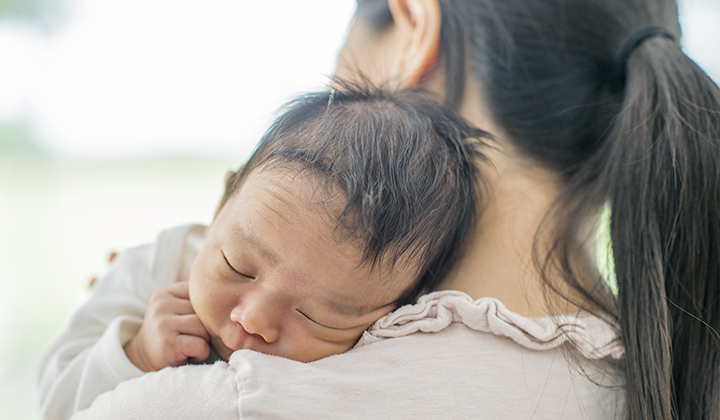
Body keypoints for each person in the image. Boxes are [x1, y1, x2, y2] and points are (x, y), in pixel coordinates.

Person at [53, 0, 720, 419]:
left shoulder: (226, 402)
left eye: (327, 312)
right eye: (242, 258)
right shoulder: (675, 373)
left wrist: (123, 356)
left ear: (413, 27)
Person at [38, 85, 487, 419]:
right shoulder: (157, 264)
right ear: (221, 204)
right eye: (237, 266)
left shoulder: (394, 350)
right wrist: (135, 353)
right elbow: (54, 401)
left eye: (316, 315)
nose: (252, 320)